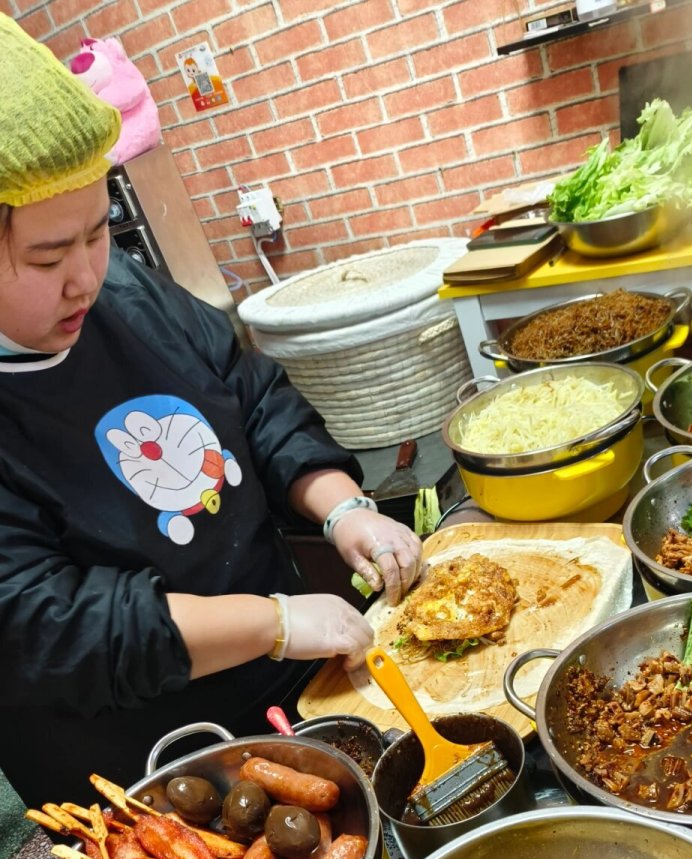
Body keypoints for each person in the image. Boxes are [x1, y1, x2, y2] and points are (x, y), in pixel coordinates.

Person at [0, 15, 422, 807]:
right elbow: (51, 626)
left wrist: (343, 509)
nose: (86, 277)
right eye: (49, 256)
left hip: (294, 684)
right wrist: (272, 622)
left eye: (96, 233)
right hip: (144, 763)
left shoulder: (124, 291)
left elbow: (250, 394)